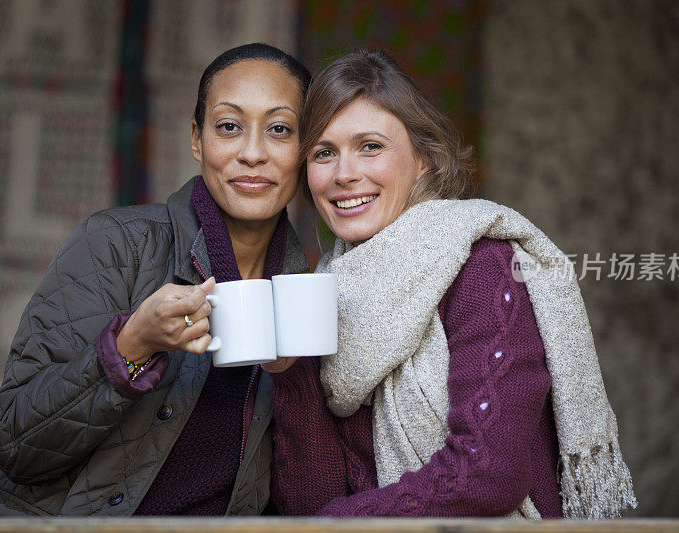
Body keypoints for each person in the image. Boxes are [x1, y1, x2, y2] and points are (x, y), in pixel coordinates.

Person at [266, 49, 637, 519]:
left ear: (423, 159)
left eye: (371, 147)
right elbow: (309, 502)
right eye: (323, 153)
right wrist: (288, 372)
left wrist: (340, 522)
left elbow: (485, 476)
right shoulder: (325, 292)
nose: (344, 174)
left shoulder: (482, 268)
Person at [0, 43, 311, 516]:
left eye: (279, 130)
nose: (252, 154)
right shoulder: (117, 246)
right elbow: (11, 441)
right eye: (229, 127)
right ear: (197, 139)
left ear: (307, 148)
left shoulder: (307, 293)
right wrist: (130, 346)